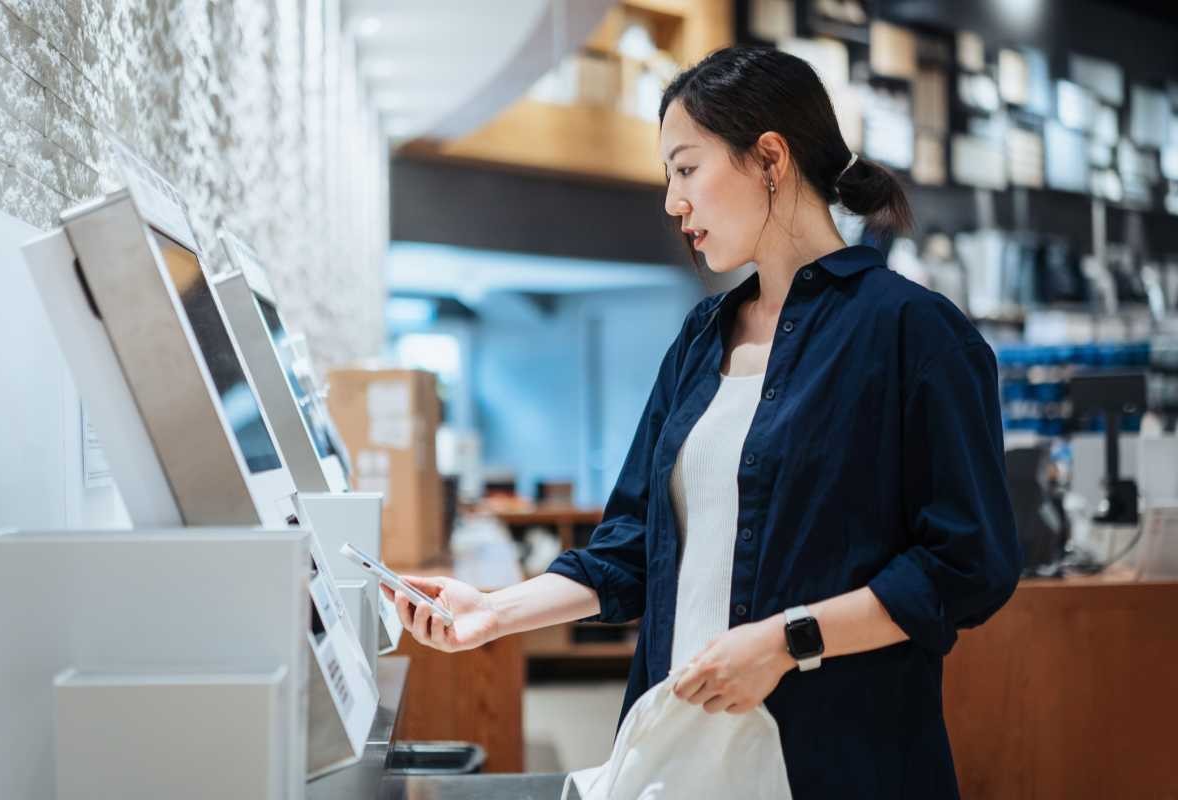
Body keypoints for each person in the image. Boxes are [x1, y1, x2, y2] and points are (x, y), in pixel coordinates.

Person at [382, 45, 1021, 798]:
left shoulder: (915, 333)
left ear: (770, 159)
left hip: (836, 765)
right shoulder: (700, 338)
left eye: (686, 169)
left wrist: (789, 641)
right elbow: (629, 549)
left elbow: (967, 566)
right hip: (678, 759)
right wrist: (491, 611)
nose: (671, 201)